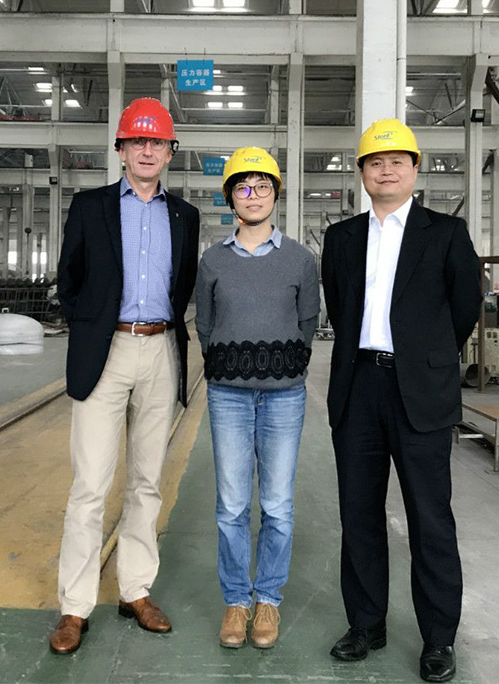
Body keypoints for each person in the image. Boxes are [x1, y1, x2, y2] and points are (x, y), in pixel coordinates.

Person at [321, 119, 480, 682]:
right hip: (358, 386)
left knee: (429, 517)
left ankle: (439, 637)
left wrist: (424, 357)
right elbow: (339, 307)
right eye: (374, 162)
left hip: (420, 392)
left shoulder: (447, 233)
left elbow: (465, 308)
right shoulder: (342, 238)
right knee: (359, 513)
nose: (385, 170)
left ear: (415, 169)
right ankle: (366, 623)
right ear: (362, 173)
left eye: (396, 161)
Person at [50, 97, 200, 655]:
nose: (147, 150)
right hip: (106, 349)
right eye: (137, 141)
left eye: (156, 141)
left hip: (159, 349)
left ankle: (135, 590)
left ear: (169, 151)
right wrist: (94, 327)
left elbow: (183, 284)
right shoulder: (89, 207)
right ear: (120, 149)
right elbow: (69, 280)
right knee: (90, 485)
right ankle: (75, 606)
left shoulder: (184, 216)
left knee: (146, 481)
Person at [195, 147, 320, 650]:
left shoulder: (300, 260)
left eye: (262, 186)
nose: (253, 195)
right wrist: (231, 364)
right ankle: (235, 601)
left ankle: (267, 598)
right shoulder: (212, 260)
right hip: (227, 395)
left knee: (277, 505)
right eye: (243, 188)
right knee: (230, 505)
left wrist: (279, 366)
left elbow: (308, 322)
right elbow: (205, 326)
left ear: (275, 195)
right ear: (231, 198)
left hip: (284, 397)